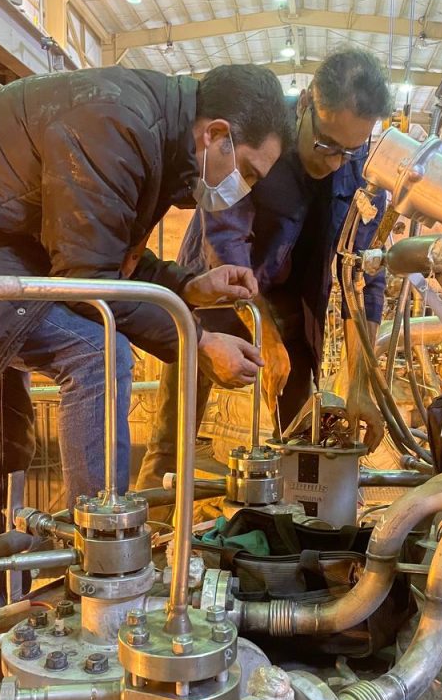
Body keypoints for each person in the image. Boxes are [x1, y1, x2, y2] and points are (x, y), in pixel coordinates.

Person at [0, 63, 292, 608]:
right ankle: (100, 580)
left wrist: (188, 287)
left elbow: (103, 250)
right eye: (246, 172)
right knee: (97, 352)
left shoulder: (152, 132)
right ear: (215, 134)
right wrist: (197, 341)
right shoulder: (118, 124)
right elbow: (89, 280)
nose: (242, 190)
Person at [137, 48, 392, 492]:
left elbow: (363, 278)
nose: (335, 162)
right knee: (173, 440)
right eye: (326, 145)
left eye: (349, 151)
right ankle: (154, 516)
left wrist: (361, 386)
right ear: (307, 103)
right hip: (214, 289)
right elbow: (226, 245)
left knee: (300, 439)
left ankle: (293, 518)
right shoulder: (259, 133)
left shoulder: (364, 170)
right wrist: (263, 338)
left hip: (293, 306)